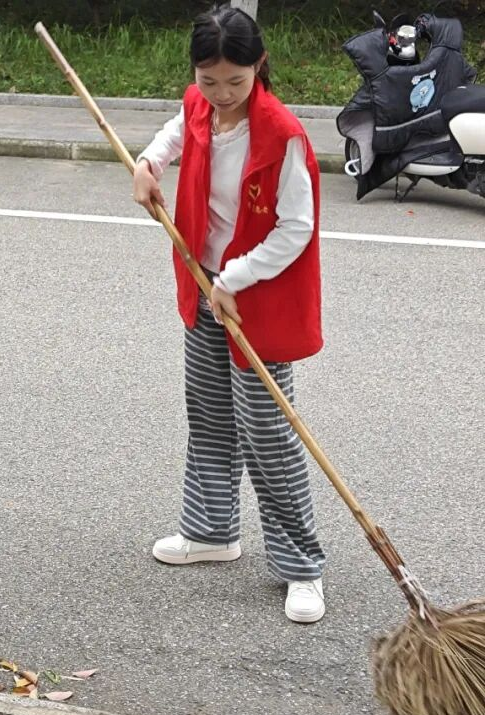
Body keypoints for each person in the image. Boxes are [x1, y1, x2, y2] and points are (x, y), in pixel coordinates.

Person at [132, 5, 327, 622]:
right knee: (210, 412)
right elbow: (174, 131)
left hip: (254, 294)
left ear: (258, 66)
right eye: (208, 80)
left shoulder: (282, 135)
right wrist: (147, 164)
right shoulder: (199, 106)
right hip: (203, 280)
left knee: (267, 431)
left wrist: (235, 278)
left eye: (235, 82)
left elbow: (296, 227)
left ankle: (302, 566)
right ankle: (211, 531)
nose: (220, 94)